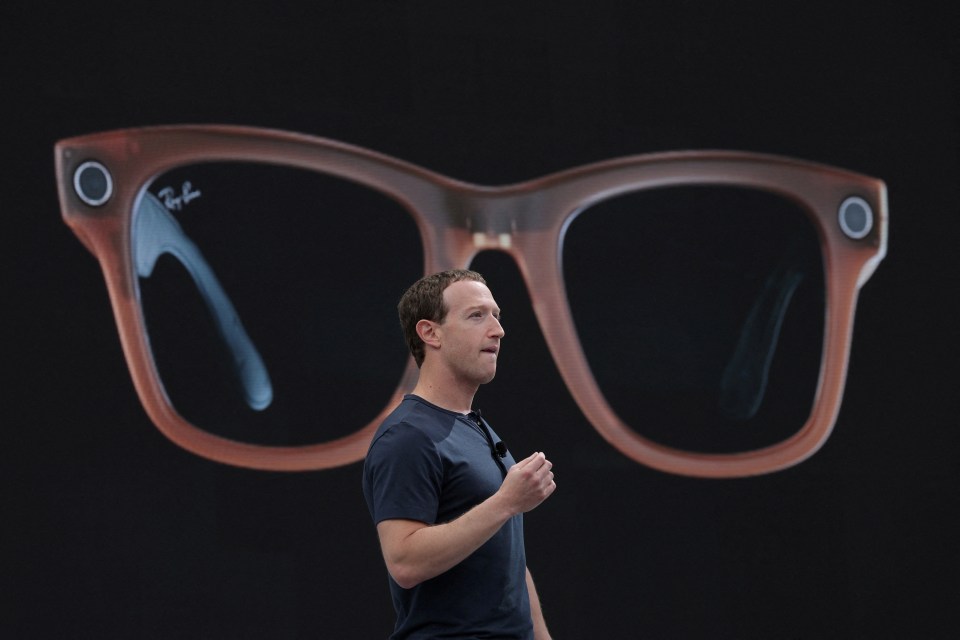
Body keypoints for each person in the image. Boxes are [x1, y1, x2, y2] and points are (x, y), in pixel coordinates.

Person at [362, 269, 556, 639]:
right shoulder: (408, 437)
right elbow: (404, 560)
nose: (498, 330)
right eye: (476, 315)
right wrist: (505, 503)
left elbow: (509, 562)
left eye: (497, 316)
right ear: (430, 333)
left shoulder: (475, 427)